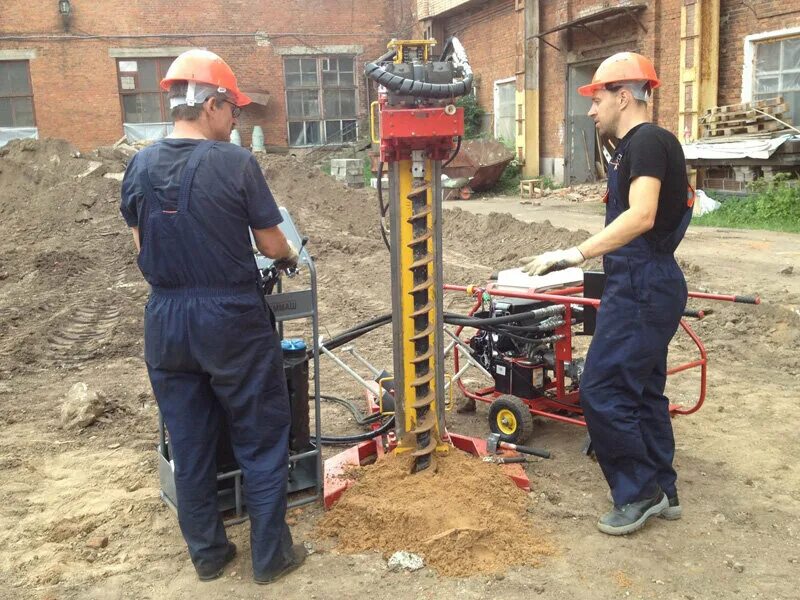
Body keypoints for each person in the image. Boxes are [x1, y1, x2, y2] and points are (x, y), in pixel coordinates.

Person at [119, 49, 305, 581]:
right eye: (232, 110)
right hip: (230, 320)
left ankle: (209, 556)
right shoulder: (236, 163)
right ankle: (270, 558)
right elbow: (271, 244)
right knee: (260, 433)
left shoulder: (139, 165)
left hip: (167, 320)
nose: (235, 120)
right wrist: (289, 254)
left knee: (190, 441)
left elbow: (141, 245)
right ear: (212, 104)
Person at [520, 52, 692, 535]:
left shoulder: (648, 142)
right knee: (642, 391)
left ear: (622, 96)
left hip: (642, 284)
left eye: (596, 99)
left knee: (599, 389)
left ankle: (639, 493)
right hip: (645, 282)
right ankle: (664, 489)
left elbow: (641, 216)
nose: (591, 111)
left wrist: (574, 255)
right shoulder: (635, 147)